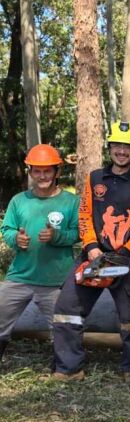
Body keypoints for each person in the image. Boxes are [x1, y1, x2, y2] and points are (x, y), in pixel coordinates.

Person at [51, 122, 130, 382]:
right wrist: (91, 247)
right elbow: (85, 214)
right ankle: (69, 368)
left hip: (127, 261)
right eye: (117, 145)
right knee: (67, 307)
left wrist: (128, 250)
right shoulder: (95, 178)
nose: (121, 151)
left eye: (127, 146)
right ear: (110, 147)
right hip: (95, 256)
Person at [0, 145, 79, 363]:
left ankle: (64, 368)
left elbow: (79, 234)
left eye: (47, 170)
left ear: (57, 171)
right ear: (30, 172)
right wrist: (16, 238)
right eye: (37, 171)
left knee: (63, 329)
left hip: (56, 280)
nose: (42, 176)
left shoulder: (71, 202)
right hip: (20, 276)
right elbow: (6, 229)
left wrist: (57, 236)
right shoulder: (19, 201)